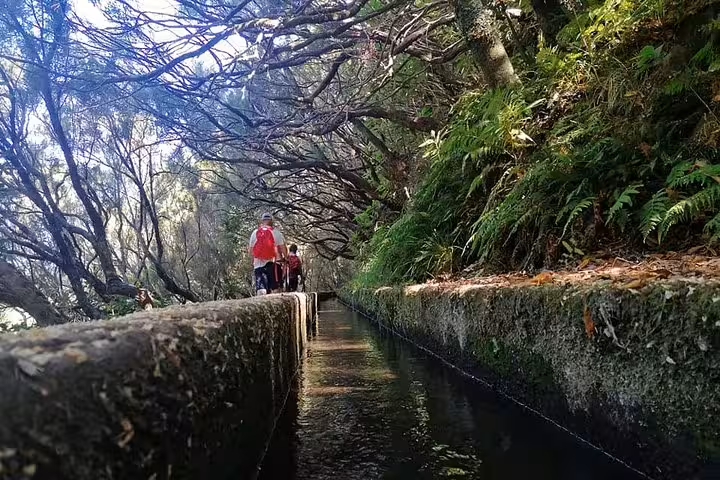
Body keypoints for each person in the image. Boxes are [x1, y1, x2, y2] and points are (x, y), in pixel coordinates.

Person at [248, 212, 287, 295]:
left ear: (262, 221)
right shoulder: (276, 233)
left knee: (261, 288)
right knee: (274, 288)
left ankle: (260, 304)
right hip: (272, 263)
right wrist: (286, 259)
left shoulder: (255, 232)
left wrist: (253, 261)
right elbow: (283, 249)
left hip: (258, 264)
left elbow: (250, 251)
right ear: (271, 221)